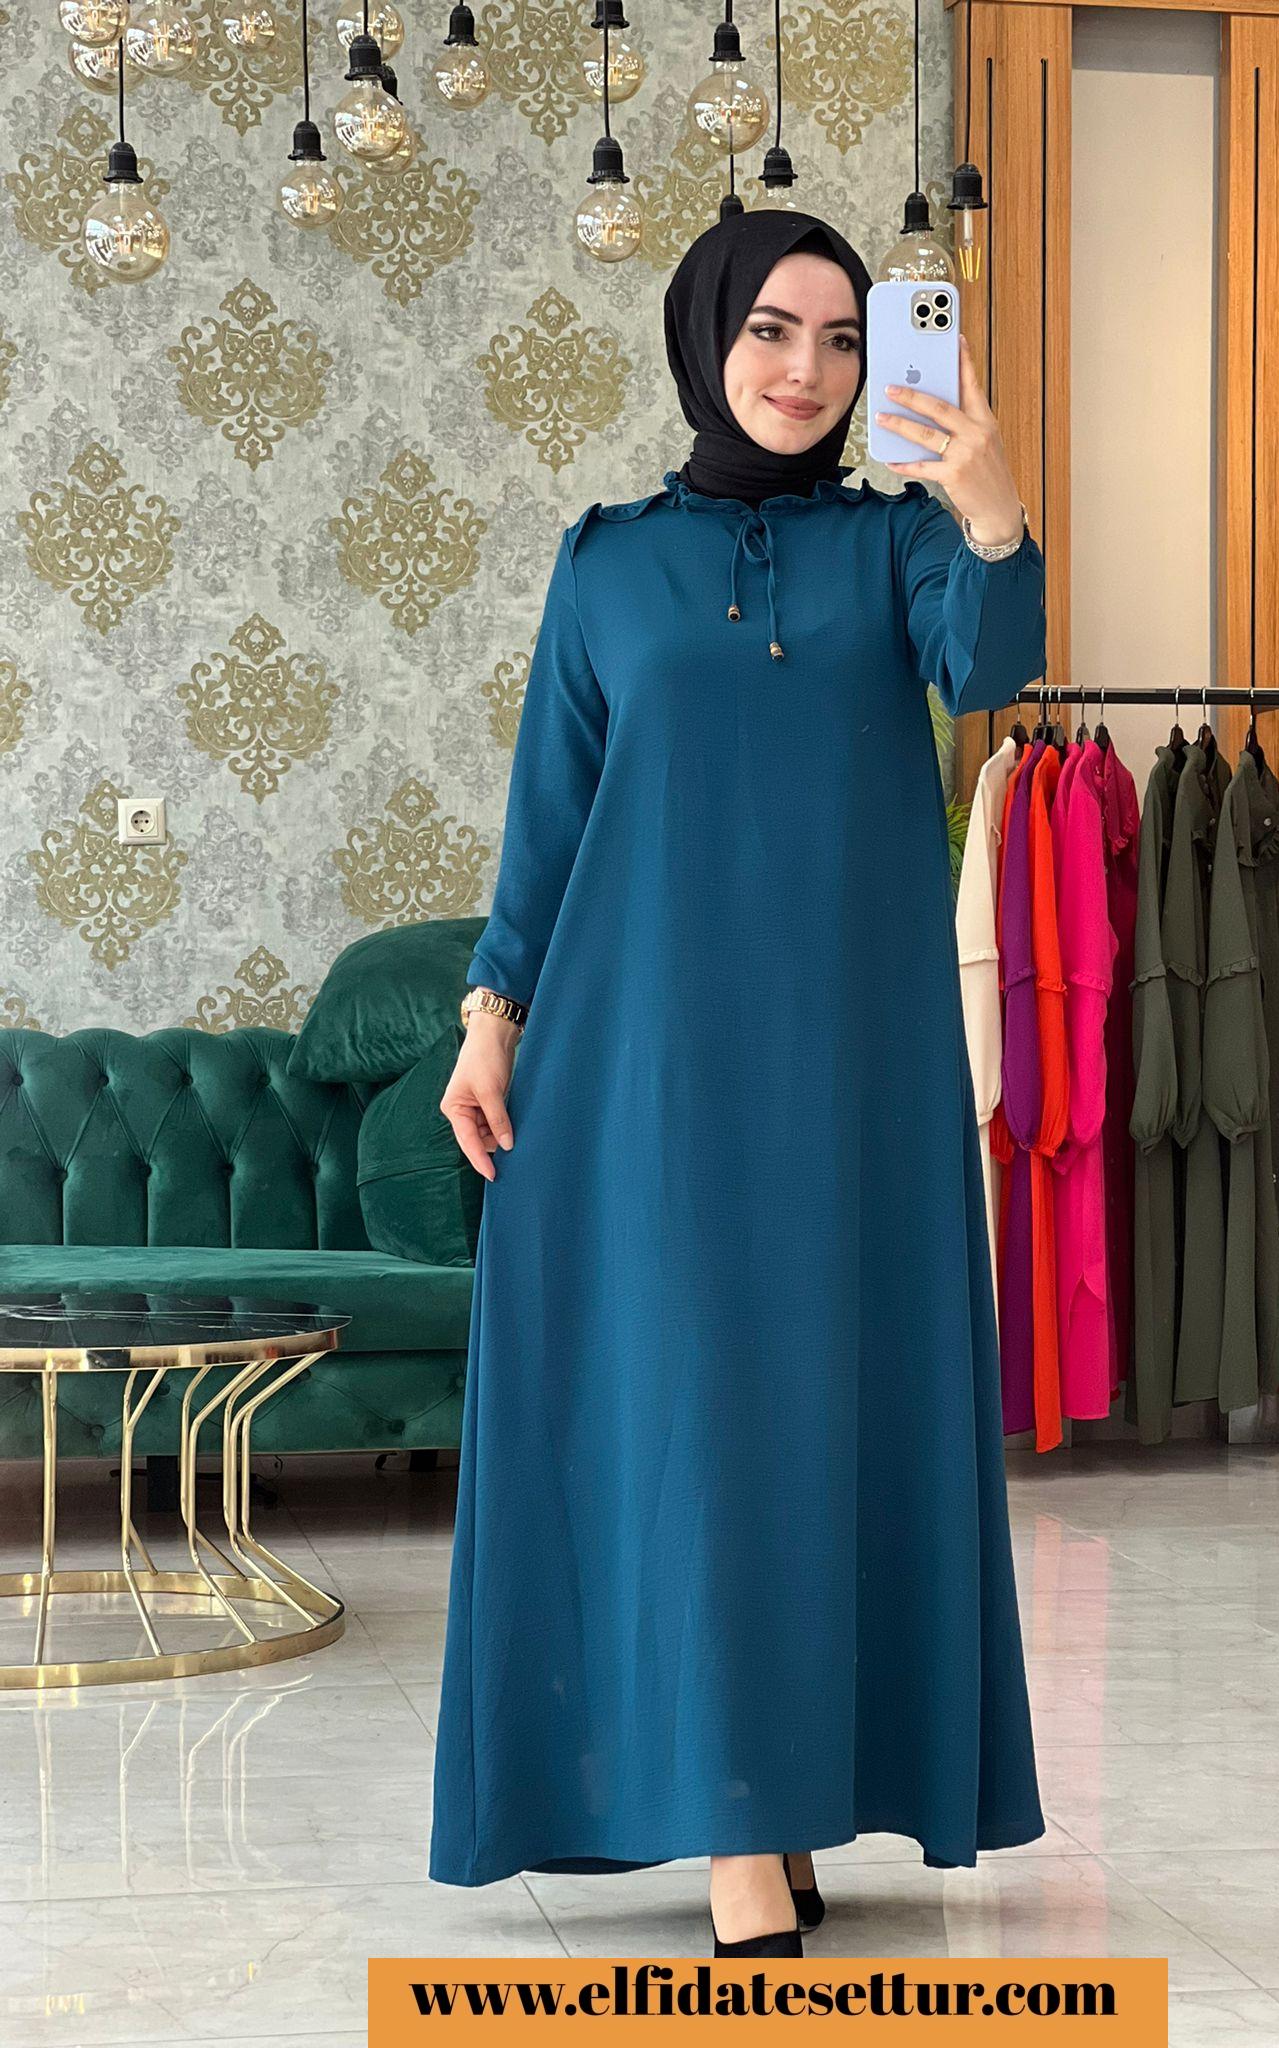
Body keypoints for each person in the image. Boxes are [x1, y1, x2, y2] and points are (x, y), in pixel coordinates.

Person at [429, 208, 1048, 1958]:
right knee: (694, 1427)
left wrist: (991, 502)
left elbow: (990, 665)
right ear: (709, 337)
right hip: (646, 1073)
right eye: (773, 329)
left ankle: (791, 1789)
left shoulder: (901, 547)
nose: (806, 369)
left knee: (825, 1422)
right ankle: (735, 1830)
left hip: (852, 1077)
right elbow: (550, 819)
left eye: (844, 340)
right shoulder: (606, 564)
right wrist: (490, 1017)